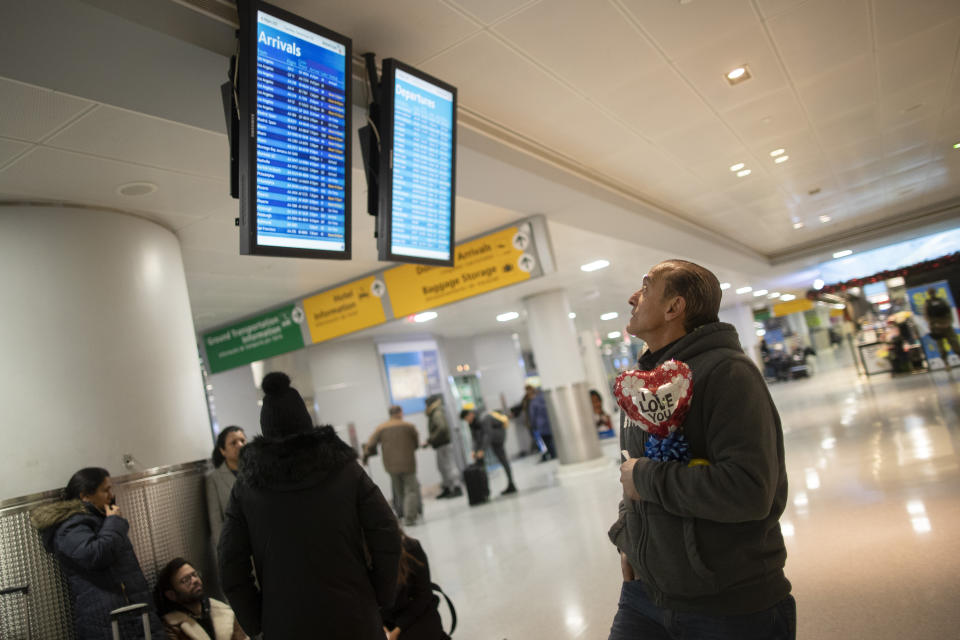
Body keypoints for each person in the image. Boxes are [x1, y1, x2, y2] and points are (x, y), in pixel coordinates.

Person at [607, 260, 794, 640]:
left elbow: (748, 489)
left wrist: (645, 477)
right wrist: (627, 540)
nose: (632, 298)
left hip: (727, 607)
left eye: (645, 287)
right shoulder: (644, 385)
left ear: (674, 308)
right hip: (645, 597)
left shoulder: (728, 373)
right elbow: (632, 473)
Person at [219, 372, 401, 639]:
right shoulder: (344, 470)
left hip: (284, 622)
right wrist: (380, 593)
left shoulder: (246, 487)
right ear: (306, 420)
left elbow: (229, 562)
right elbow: (386, 531)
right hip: (354, 613)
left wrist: (257, 619)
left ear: (265, 428)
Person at [30, 467, 164, 639]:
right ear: (85, 496)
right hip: (108, 620)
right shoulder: (70, 528)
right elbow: (96, 556)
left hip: (132, 613)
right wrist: (115, 521)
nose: (111, 494)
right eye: (105, 490)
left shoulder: (101, 520)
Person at [154, 557, 247, 639]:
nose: (194, 580)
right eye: (185, 580)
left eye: (194, 575)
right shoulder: (171, 625)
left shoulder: (223, 611)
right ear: (171, 595)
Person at [381, 531, 449, 640]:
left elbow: (423, 596)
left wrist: (396, 631)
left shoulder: (410, 547)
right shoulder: (360, 558)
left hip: (416, 616)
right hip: (385, 622)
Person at [364, 405, 423, 526]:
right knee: (411, 490)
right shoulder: (409, 426)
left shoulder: (381, 428)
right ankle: (410, 517)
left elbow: (370, 444)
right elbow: (416, 444)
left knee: (399, 491)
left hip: (390, 466)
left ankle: (404, 514)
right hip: (408, 464)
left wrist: (365, 456)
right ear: (400, 413)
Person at [205, 426, 246, 558]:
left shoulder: (256, 471)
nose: (240, 445)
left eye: (242, 440)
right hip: (235, 546)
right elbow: (216, 521)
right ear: (223, 450)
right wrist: (225, 553)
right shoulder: (214, 479)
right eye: (233, 443)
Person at [460, 408, 517, 495]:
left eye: (467, 418)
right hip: (488, 436)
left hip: (498, 436)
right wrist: (474, 450)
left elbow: (488, 434)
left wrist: (482, 450)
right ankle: (484, 490)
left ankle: (511, 484)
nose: (467, 421)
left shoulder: (484, 418)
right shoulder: (472, 423)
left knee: (502, 459)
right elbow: (475, 438)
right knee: (480, 460)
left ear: (470, 414)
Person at [423, 394, 462, 499]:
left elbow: (442, 428)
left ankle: (456, 487)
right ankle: (448, 487)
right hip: (440, 444)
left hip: (444, 444)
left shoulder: (436, 413)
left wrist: (430, 439)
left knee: (449, 467)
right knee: (442, 468)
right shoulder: (435, 412)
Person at [924, 287, 960, 365]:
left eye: (932, 292)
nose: (932, 294)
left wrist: (949, 322)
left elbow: (949, 312)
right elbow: (927, 315)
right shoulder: (928, 303)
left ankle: (957, 356)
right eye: (931, 292)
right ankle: (946, 362)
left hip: (946, 324)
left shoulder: (942, 301)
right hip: (936, 326)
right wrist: (933, 324)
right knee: (941, 346)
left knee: (954, 343)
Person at [525, 385, 556, 461]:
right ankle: (553, 454)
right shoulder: (544, 399)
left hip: (539, 425)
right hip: (548, 423)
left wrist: (532, 425)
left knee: (542, 441)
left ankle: (547, 456)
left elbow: (532, 415)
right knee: (550, 440)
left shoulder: (533, 402)